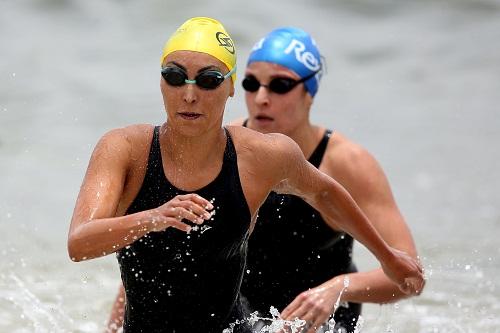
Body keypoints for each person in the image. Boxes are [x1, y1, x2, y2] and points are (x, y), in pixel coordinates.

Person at [67, 17, 423, 333]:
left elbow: (326, 194)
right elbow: (127, 252)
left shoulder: (277, 157)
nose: (189, 94)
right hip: (251, 310)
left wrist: (375, 265)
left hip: (303, 321)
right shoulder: (135, 148)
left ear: (227, 86)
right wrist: (152, 220)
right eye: (174, 77)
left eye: (208, 81)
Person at [232, 27, 424, 333]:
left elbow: (410, 278)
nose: (261, 98)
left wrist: (339, 288)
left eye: (280, 85)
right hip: (240, 312)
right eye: (251, 83)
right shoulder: (226, 146)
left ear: (310, 93)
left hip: (323, 321)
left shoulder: (347, 163)